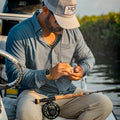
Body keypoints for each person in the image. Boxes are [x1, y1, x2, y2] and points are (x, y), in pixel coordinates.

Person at [5, 0, 113, 120]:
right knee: (27, 113)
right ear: (45, 10)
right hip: (32, 94)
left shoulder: (72, 31)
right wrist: (48, 74)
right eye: (60, 21)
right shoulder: (18, 33)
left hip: (68, 93)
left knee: (104, 104)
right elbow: (14, 75)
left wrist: (82, 70)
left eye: (68, 21)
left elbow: (88, 58)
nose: (64, 26)